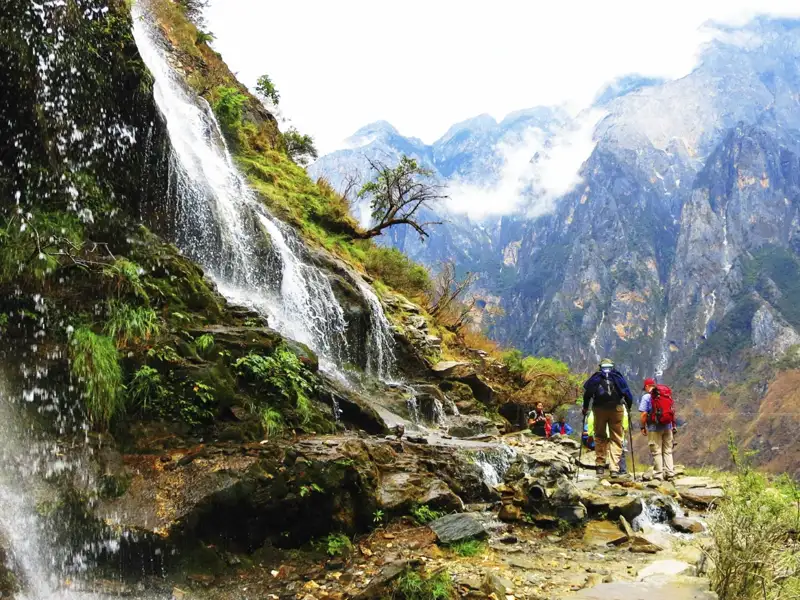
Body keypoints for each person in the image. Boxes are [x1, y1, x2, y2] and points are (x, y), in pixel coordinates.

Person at [582, 358, 634, 477]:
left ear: (601, 366)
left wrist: (585, 408)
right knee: (616, 438)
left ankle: (600, 466)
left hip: (599, 409)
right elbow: (628, 394)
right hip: (616, 409)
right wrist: (628, 408)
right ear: (612, 366)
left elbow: (587, 394)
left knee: (600, 436)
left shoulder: (596, 377)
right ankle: (614, 468)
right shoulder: (617, 377)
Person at [639, 378, 675, 481]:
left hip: (654, 428)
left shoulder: (646, 397)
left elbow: (644, 414)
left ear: (647, 386)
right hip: (668, 426)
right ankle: (670, 473)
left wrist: (642, 426)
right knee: (668, 450)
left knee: (656, 451)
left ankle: (658, 475)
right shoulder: (665, 394)